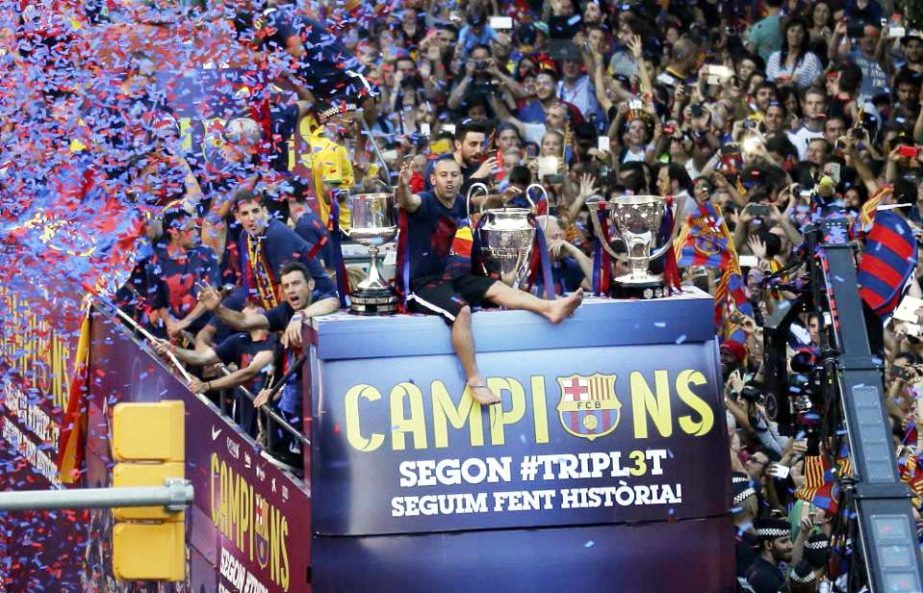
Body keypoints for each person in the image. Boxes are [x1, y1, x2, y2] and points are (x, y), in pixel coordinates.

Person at [396, 156, 583, 405]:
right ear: (433, 179)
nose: (449, 180)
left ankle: (551, 308)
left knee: (498, 288)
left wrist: (500, 199)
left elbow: (478, 202)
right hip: (423, 283)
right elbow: (408, 202)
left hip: (454, 276)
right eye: (443, 175)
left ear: (461, 179)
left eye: (454, 175)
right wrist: (403, 186)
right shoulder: (426, 200)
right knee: (462, 311)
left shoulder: (461, 203)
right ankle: (475, 381)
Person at [198, 261, 339, 469]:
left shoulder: (319, 302)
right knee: (271, 403)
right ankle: (293, 456)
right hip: (300, 387)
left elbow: (333, 303)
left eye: (296, 283)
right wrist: (218, 309)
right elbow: (244, 323)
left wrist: (301, 316)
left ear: (310, 285)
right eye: (286, 286)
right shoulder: (284, 311)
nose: (291, 290)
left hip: (331, 388)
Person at [151, 303, 276, 437]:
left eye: (244, 314)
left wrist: (208, 385)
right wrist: (172, 349)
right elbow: (203, 357)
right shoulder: (239, 340)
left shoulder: (274, 342)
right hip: (242, 408)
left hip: (268, 415)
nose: (240, 317)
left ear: (259, 317)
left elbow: (249, 372)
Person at [746, 516, 794, 593]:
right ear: (768, 545)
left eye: (790, 540)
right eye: (784, 541)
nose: (791, 546)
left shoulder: (754, 569)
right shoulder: (769, 580)